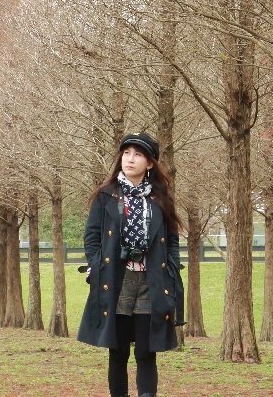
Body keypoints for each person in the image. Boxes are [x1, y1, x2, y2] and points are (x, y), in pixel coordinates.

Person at [78, 133, 185, 397]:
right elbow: (92, 237)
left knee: (146, 353)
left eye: (138, 154)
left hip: (152, 282)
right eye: (126, 153)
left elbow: (171, 240)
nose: (130, 159)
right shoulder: (106, 196)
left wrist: (171, 270)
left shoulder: (160, 198)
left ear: (149, 163)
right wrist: (96, 267)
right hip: (118, 280)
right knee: (119, 352)